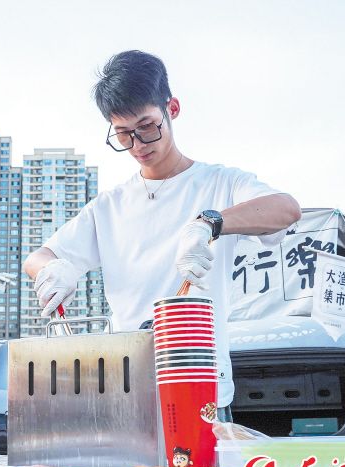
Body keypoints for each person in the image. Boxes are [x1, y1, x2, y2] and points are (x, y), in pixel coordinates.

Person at [23, 50, 301, 420]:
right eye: (123, 134)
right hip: (129, 389)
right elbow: (37, 257)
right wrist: (54, 270)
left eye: (147, 126)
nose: (138, 145)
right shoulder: (109, 207)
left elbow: (285, 209)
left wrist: (209, 223)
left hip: (200, 386)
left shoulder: (221, 183)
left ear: (172, 108)